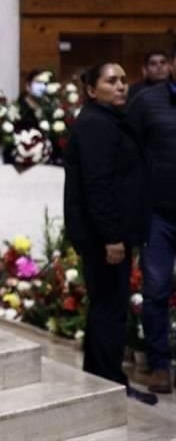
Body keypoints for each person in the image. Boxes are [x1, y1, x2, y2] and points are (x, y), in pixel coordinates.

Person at [64, 62, 157, 406]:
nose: (121, 86)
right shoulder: (95, 125)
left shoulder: (108, 120)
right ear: (91, 90)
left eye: (122, 80)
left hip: (112, 233)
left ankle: (101, 378)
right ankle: (109, 382)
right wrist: (112, 237)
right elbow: (98, 186)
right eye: (111, 81)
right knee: (109, 309)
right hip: (106, 237)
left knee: (107, 306)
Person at [127, 49, 176, 394]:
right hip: (158, 214)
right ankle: (160, 366)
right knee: (156, 290)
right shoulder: (146, 102)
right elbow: (129, 154)